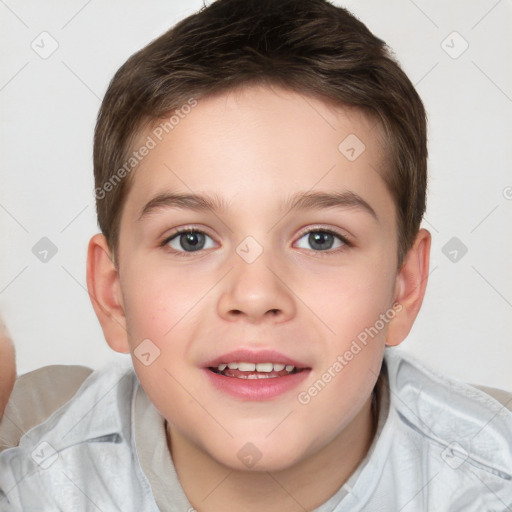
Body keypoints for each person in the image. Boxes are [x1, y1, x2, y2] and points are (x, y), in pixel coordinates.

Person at [1, 0, 511, 510]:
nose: (255, 295)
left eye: (321, 239)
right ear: (114, 296)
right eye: (191, 239)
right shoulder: (29, 479)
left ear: (404, 287)